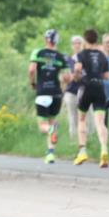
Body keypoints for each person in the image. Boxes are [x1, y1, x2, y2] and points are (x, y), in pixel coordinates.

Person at [28, 29, 71, 164]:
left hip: (43, 92)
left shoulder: (38, 52)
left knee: (43, 126)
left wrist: (32, 82)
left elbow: (31, 70)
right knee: (52, 121)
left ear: (46, 39)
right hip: (57, 94)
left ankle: (51, 132)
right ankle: (50, 154)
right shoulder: (61, 56)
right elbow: (67, 77)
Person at [73, 29, 109, 167]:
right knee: (100, 122)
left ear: (84, 40)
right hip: (100, 88)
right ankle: (104, 150)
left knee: (82, 119)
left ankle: (82, 151)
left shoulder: (81, 54)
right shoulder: (102, 55)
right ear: (97, 40)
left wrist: (76, 77)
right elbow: (107, 76)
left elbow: (77, 69)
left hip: (86, 87)